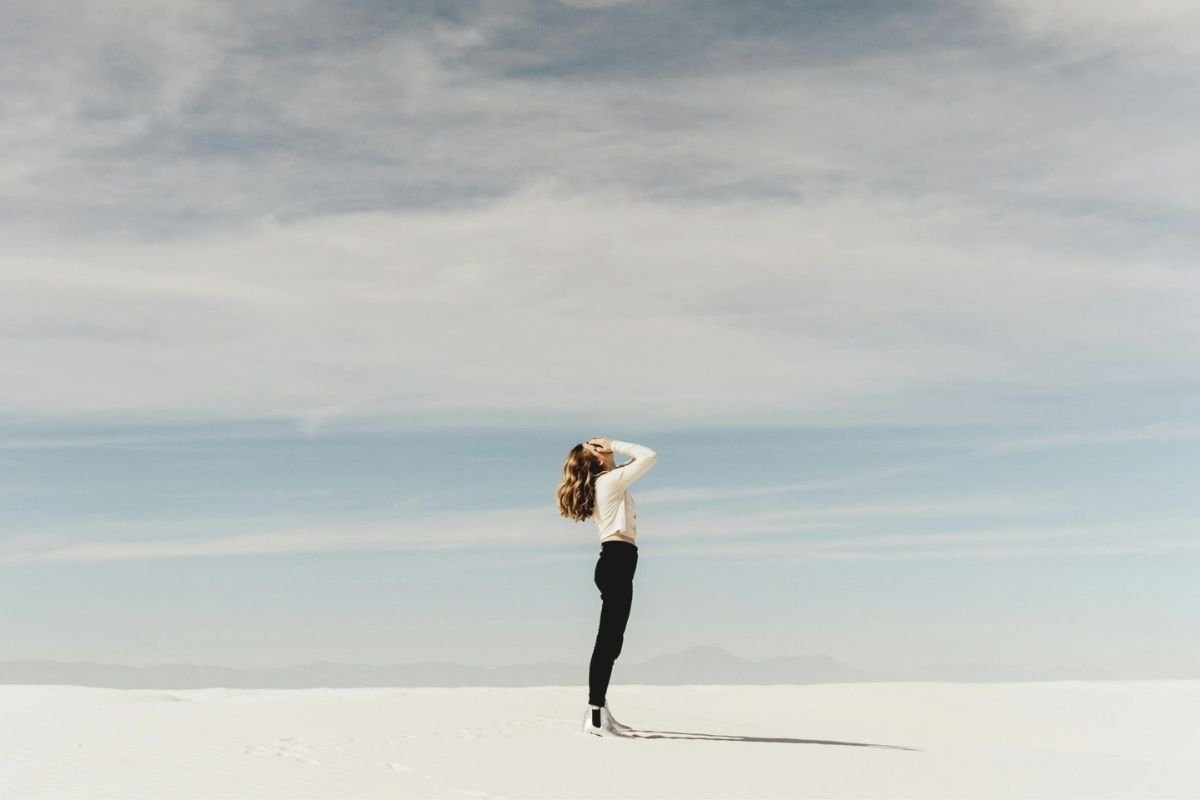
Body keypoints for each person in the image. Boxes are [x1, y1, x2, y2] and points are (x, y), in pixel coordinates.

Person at [556, 436, 659, 737]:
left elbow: (637, 462)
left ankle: (600, 710)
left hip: (618, 562)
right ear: (598, 458)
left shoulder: (609, 481)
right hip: (616, 561)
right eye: (596, 446)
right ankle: (595, 717)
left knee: (612, 642)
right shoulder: (608, 482)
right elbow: (649, 455)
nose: (602, 445)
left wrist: (611, 451)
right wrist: (615, 442)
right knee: (607, 642)